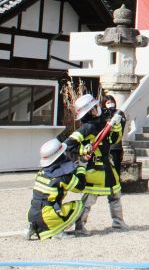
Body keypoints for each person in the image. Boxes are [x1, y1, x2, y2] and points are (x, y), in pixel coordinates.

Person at [65, 93, 128, 236]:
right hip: (94, 169)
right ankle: (80, 226)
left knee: (115, 195)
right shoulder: (86, 128)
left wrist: (117, 126)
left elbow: (112, 140)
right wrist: (83, 149)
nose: (97, 109)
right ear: (90, 111)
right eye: (94, 107)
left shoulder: (102, 122)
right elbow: (67, 145)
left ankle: (118, 222)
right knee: (88, 200)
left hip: (107, 166)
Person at [26, 138, 87, 240]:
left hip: (32, 214)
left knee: (49, 205)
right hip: (47, 216)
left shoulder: (42, 172)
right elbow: (80, 187)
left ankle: (34, 228)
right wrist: (82, 165)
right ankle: (57, 231)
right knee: (78, 205)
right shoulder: (63, 176)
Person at [102, 95, 124, 178]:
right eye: (108, 103)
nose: (110, 104)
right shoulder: (102, 114)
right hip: (104, 146)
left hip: (115, 147)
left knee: (116, 167)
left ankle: (117, 185)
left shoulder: (119, 113)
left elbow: (121, 125)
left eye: (112, 102)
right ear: (104, 104)